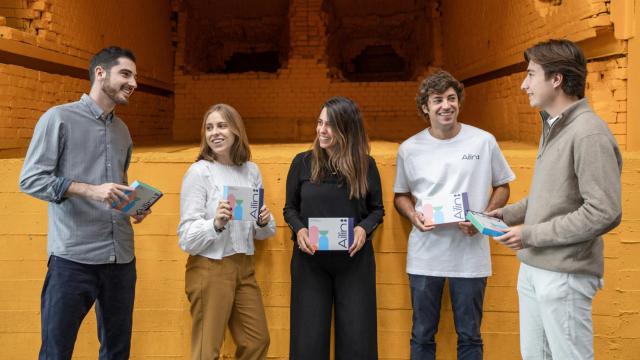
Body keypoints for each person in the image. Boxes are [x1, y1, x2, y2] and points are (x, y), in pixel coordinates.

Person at [490, 39, 622, 360]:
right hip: (535, 270)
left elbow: (603, 211)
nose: (524, 84)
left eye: (531, 74)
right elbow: (549, 197)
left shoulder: (588, 133)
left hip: (565, 275)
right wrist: (503, 215)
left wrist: (530, 233)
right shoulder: (554, 127)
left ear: (556, 79)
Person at [19, 46, 148, 359]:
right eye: (126, 74)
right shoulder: (58, 119)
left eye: (135, 76)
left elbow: (113, 188)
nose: (133, 83)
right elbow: (31, 180)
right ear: (100, 73)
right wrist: (90, 190)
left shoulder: (122, 131)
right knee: (56, 352)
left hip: (121, 260)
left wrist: (133, 206)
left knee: (117, 352)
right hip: (73, 261)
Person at [393, 70, 515, 360]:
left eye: (451, 98)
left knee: (470, 337)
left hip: (470, 255)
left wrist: (481, 220)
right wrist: (413, 216)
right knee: (422, 335)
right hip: (425, 256)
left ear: (459, 103)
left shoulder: (483, 141)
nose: (445, 105)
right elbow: (400, 195)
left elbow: (502, 186)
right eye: (437, 100)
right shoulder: (409, 148)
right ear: (426, 107)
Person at [283, 96, 384, 360]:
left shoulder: (365, 164)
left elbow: (377, 210)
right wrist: (300, 230)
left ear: (348, 129)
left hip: (354, 262)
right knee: (308, 342)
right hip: (310, 262)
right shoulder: (302, 162)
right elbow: (290, 209)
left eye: (330, 124)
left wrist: (364, 228)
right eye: (319, 122)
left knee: (357, 342)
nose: (321, 130)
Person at [178, 103, 275, 360]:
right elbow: (186, 236)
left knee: (257, 340)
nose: (215, 133)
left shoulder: (251, 171)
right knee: (206, 350)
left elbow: (259, 231)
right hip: (210, 268)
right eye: (209, 127)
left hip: (244, 267)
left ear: (236, 131)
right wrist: (215, 223)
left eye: (222, 125)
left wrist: (263, 221)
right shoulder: (199, 172)